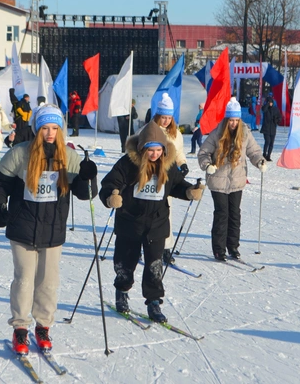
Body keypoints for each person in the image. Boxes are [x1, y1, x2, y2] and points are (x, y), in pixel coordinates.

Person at [0, 104, 98, 355]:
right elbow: (0, 184)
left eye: (55, 128)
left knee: (48, 283)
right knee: (24, 280)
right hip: (22, 227)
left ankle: (43, 327)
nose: (50, 133)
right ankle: (20, 329)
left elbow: (84, 194)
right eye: (45, 128)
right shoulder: (20, 154)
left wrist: (86, 176)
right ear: (37, 129)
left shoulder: (69, 157)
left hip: (53, 229)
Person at [99, 120, 203, 323]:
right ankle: (122, 292)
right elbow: (110, 183)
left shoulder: (168, 165)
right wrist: (111, 197)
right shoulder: (127, 163)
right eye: (150, 150)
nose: (154, 154)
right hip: (129, 223)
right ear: (141, 148)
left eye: (158, 150)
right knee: (125, 263)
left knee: (154, 266)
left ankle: (154, 302)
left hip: (156, 224)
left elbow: (177, 185)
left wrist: (190, 191)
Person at [198, 97, 267, 261]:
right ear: (227, 119)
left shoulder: (245, 133)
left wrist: (260, 161)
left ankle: (233, 247)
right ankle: (218, 249)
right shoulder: (217, 132)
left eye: (236, 120)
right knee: (222, 214)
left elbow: (254, 151)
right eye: (231, 120)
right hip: (218, 180)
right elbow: (203, 152)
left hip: (236, 180)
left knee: (235, 214)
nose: (234, 123)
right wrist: (208, 165)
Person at [146, 93, 189, 265]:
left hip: (167, 177)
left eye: (169, 117)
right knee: (148, 213)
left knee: (166, 213)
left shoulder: (176, 134)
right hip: (150, 177)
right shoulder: (149, 130)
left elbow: (178, 152)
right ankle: (146, 245)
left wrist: (182, 163)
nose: (166, 121)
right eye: (163, 117)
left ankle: (165, 247)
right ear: (158, 116)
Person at [260, 96, 281, 161]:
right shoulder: (265, 108)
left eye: (271, 102)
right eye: (269, 102)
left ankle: (268, 155)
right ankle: (264, 154)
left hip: (273, 129)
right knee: (267, 141)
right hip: (266, 128)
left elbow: (280, 117)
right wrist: (267, 104)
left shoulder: (276, 109)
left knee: (271, 143)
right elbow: (264, 110)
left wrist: (276, 120)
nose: (270, 103)